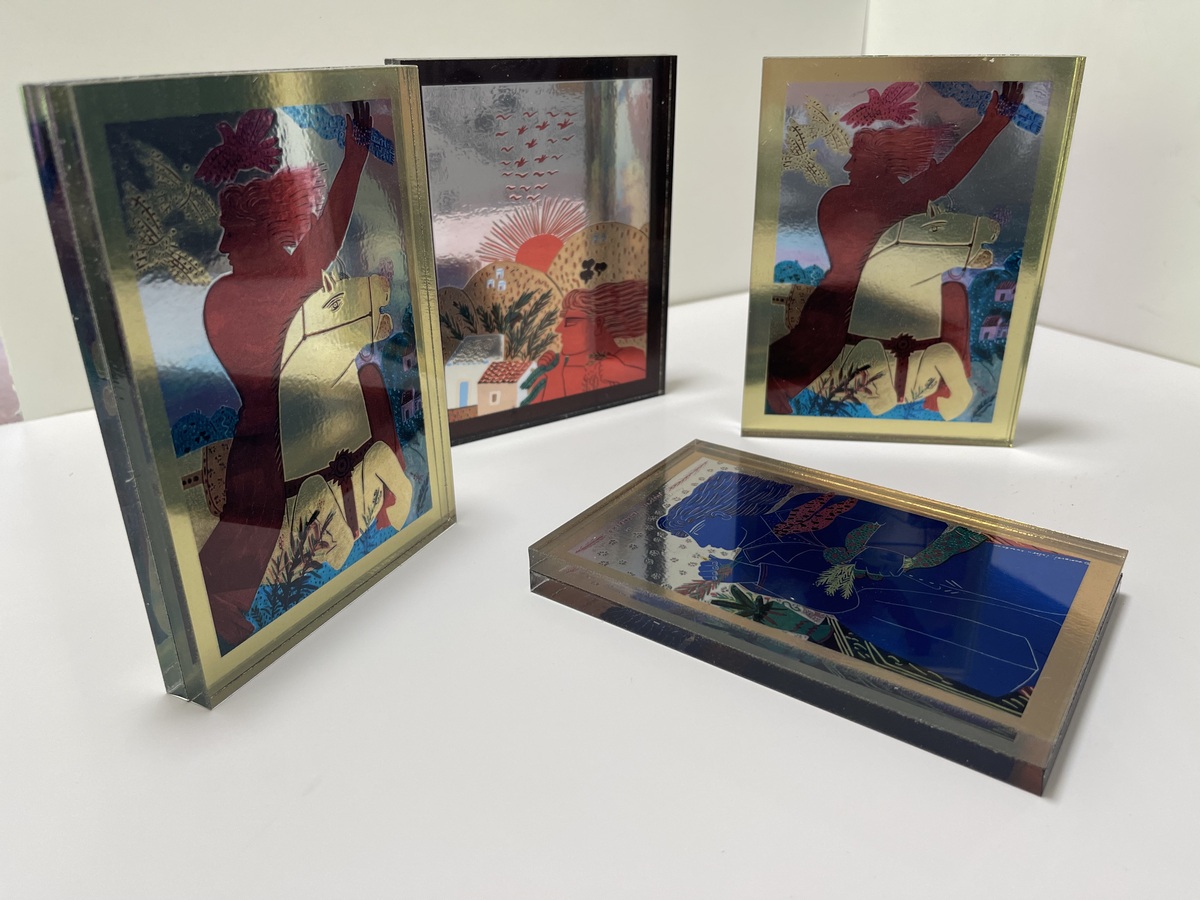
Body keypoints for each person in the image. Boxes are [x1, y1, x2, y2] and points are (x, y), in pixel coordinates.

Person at [658, 470, 1088, 699]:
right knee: (1000, 642)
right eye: (696, 537)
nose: (703, 542)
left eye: (703, 529)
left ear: (728, 512)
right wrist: (749, 576)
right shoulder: (750, 558)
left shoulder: (796, 511)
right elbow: (818, 594)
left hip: (934, 571)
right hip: (891, 609)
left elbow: (883, 521)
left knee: (1020, 606)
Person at [198, 101, 373, 649]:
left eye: (234, 237)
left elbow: (318, 245)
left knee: (250, 523)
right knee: (252, 526)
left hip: (258, 437)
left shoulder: (225, 296)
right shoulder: (252, 293)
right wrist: (355, 159)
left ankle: (220, 608)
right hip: (269, 439)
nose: (226, 249)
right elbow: (325, 239)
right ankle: (217, 610)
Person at [767, 82, 1024, 414]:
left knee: (953, 296)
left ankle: (945, 387)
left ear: (880, 164)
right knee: (825, 330)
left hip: (893, 288)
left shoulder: (907, 198)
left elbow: (949, 173)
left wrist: (991, 126)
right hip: (846, 291)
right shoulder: (838, 199)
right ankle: (779, 383)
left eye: (855, 159)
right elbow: (855, 252)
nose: (847, 167)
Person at [529, 280, 647, 402]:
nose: (558, 329)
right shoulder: (557, 367)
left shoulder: (632, 358)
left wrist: (618, 371)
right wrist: (550, 373)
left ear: (597, 324)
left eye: (570, 322)